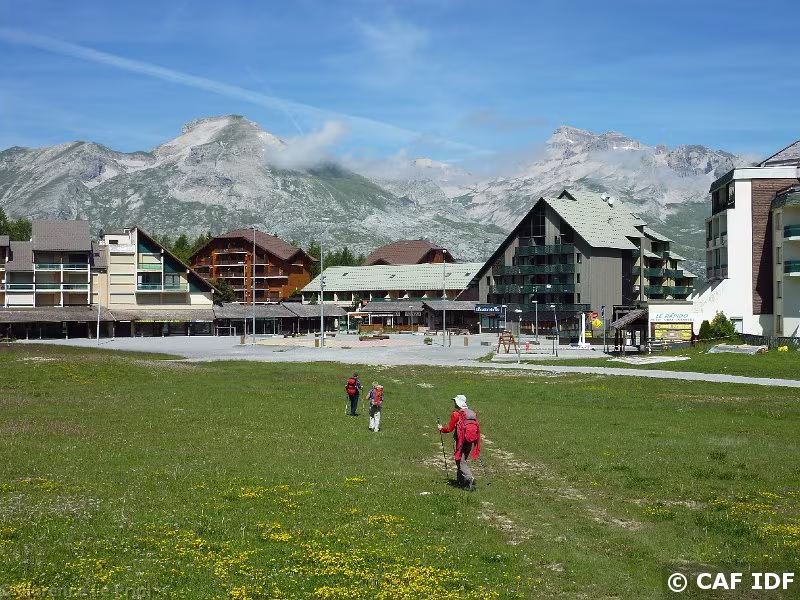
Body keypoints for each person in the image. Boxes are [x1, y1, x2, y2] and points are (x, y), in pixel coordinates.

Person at [438, 394, 481, 491]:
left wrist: (441, 429)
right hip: (469, 440)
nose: (454, 403)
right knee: (462, 460)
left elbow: (449, 429)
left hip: (459, 441)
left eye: (455, 401)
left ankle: (469, 478)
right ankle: (461, 482)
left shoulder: (456, 414)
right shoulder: (472, 413)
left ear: (458, 403)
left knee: (459, 460)